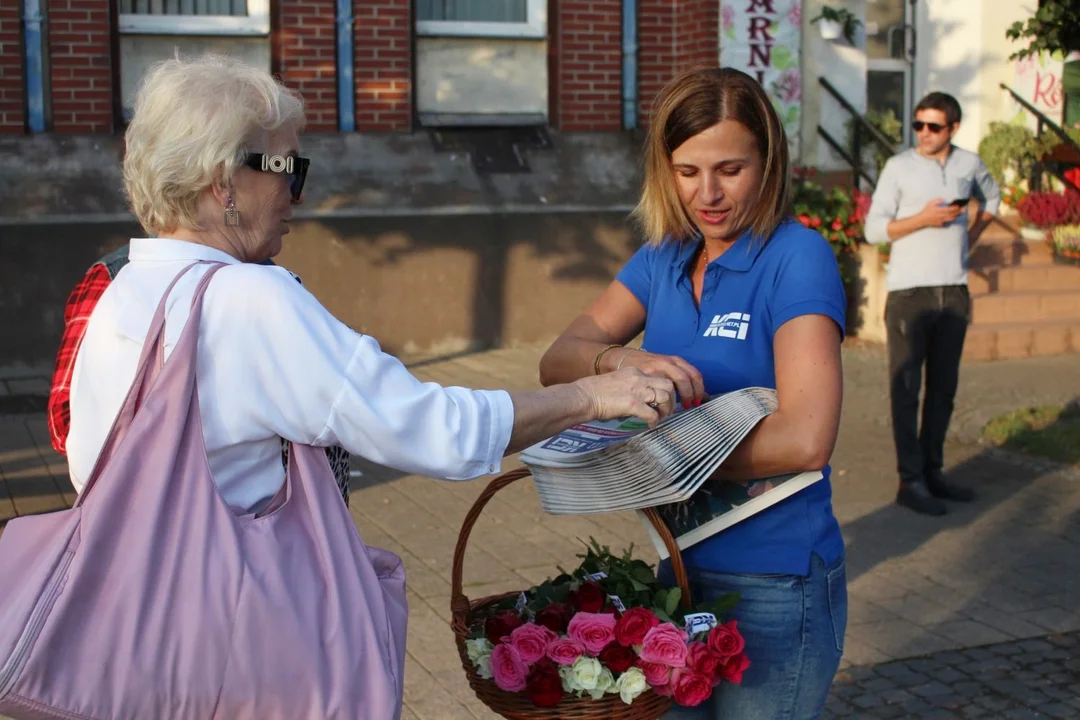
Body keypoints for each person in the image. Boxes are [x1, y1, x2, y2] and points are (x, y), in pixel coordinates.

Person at [68, 47, 675, 603]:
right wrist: (589, 396)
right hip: (236, 627)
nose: (294, 195)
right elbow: (435, 430)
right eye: (287, 168)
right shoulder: (247, 298)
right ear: (224, 180)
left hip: (138, 614)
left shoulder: (120, 291)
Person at [539, 67, 847, 719]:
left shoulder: (797, 257)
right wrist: (626, 356)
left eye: (730, 169)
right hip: (677, 574)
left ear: (768, 163)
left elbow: (807, 436)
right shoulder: (662, 258)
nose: (707, 193)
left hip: (776, 577)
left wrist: (655, 459)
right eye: (686, 171)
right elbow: (558, 359)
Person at [49, 247, 356, 505]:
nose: (295, 197)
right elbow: (64, 421)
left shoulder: (269, 278)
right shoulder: (116, 277)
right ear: (221, 189)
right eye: (282, 173)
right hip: (183, 534)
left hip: (266, 533)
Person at [865, 92, 1000, 516]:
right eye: (918, 125)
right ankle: (911, 480)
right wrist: (923, 219)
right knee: (906, 389)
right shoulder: (899, 167)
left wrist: (970, 240)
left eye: (933, 127)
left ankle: (934, 470)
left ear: (953, 129)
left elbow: (992, 199)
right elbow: (874, 230)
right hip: (911, 293)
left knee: (943, 389)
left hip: (954, 290)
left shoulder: (968, 164)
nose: (923, 133)